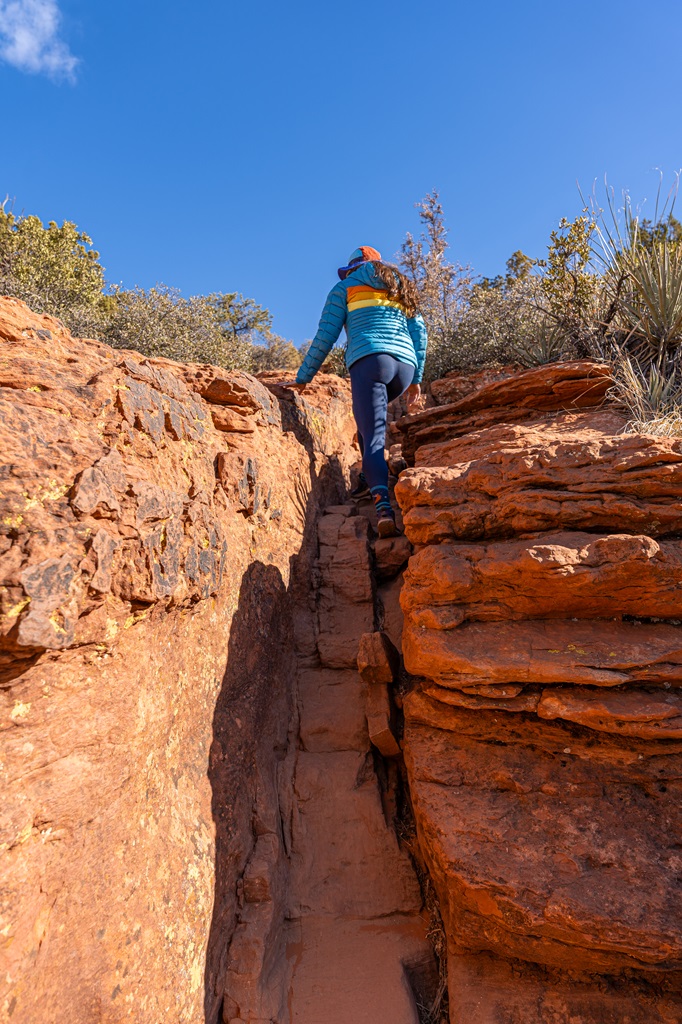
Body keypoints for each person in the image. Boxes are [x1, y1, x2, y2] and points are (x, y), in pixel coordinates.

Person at [292, 245, 428, 537]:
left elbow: (325, 335)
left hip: (370, 361)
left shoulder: (345, 288)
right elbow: (420, 333)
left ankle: (383, 509)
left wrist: (304, 377)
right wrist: (416, 378)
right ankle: (370, 476)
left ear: (351, 268)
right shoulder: (400, 287)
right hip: (403, 367)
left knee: (374, 434)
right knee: (368, 422)